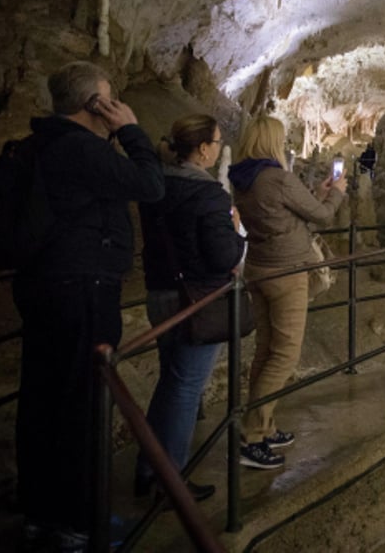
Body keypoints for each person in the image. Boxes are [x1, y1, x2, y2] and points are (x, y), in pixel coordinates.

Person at [13, 61, 164, 552]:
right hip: (83, 289)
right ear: (94, 105)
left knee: (41, 400)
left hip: (44, 286)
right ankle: (78, 524)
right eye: (109, 98)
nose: (115, 105)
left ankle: (40, 514)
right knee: (81, 406)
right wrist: (133, 130)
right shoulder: (80, 148)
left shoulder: (41, 144)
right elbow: (150, 185)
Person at [134, 115, 245, 503]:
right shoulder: (210, 195)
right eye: (216, 142)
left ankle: (149, 470)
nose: (217, 148)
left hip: (160, 294)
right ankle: (171, 483)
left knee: (170, 383)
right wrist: (236, 234)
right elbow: (222, 256)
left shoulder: (157, 185)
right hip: (197, 302)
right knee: (185, 389)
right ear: (202, 149)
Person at [229, 116, 346, 469]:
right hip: (287, 272)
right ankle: (252, 436)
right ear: (271, 142)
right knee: (284, 357)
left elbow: (289, 214)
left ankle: (264, 426)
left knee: (266, 352)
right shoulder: (278, 178)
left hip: (260, 269)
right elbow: (322, 216)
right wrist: (336, 195)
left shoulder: (241, 179)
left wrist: (319, 192)